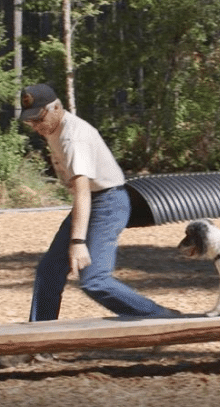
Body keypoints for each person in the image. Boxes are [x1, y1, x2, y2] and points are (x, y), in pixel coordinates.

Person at [19, 83, 179, 320]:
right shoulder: (54, 127)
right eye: (30, 121)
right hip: (93, 200)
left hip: (108, 201)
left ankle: (161, 318)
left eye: (39, 119)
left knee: (94, 279)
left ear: (56, 108)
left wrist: (78, 241)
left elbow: (82, 192)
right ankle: (39, 343)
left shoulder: (74, 138)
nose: (36, 126)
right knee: (49, 272)